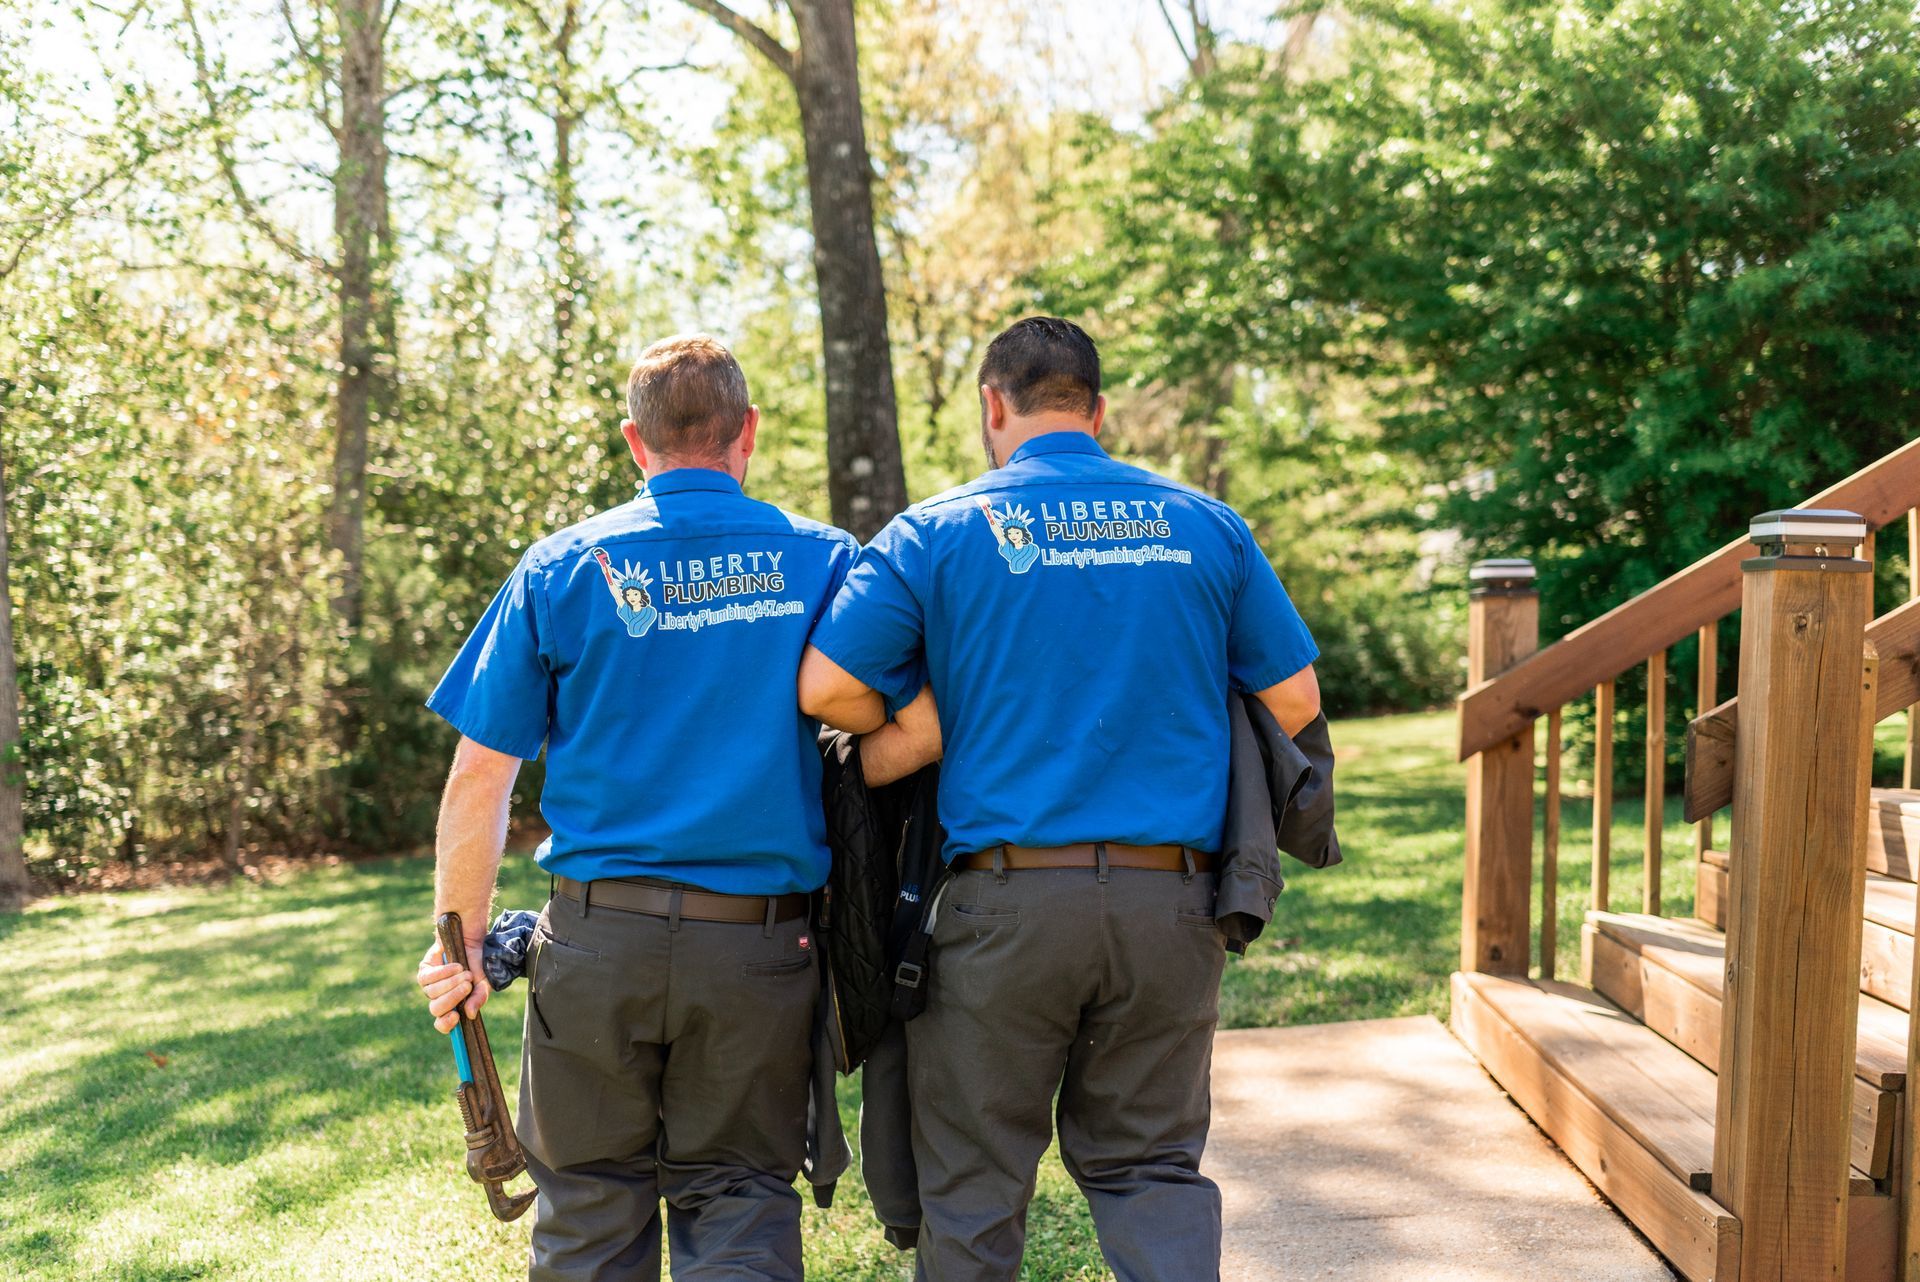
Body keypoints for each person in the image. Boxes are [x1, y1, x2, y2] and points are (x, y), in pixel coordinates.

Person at [797, 316, 1322, 1282]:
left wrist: (931, 709)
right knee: (1154, 1170)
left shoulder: (937, 532)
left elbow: (827, 689)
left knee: (973, 1189)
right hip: (1174, 904)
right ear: (1098, 409)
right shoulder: (1206, 525)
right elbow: (1295, 701)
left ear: (993, 407)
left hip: (1003, 912)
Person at [414, 335, 858, 1281]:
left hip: (593, 949)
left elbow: (478, 779)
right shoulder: (824, 563)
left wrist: (463, 943)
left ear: (634, 442)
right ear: (748, 435)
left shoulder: (559, 568)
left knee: (586, 1210)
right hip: (760, 951)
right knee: (740, 1198)